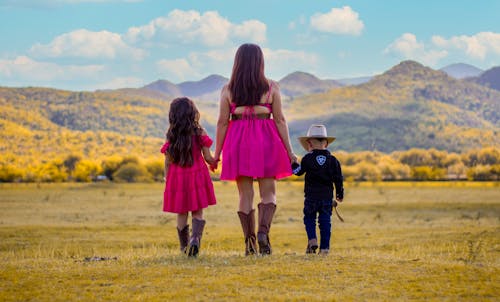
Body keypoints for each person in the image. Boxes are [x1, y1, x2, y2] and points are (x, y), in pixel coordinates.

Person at [212, 43, 297, 256]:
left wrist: (216, 154)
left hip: (238, 142)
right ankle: (263, 233)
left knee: (245, 194)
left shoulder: (228, 90)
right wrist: (290, 152)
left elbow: (222, 122)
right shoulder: (272, 87)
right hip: (266, 140)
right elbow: (280, 120)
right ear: (260, 62)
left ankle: (249, 244)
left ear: (237, 62)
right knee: (268, 193)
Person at [161, 97, 217, 257]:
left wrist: (167, 178)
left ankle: (184, 247)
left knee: (182, 213)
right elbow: (207, 157)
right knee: (197, 211)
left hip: (178, 177)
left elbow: (167, 161)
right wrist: (215, 160)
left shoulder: (171, 134)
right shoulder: (199, 132)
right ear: (193, 113)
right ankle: (195, 239)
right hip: (197, 175)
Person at [291, 124, 344, 255]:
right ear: (326, 144)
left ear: (309, 144)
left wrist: (293, 163)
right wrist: (339, 193)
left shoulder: (307, 158)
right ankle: (325, 248)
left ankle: (312, 240)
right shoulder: (333, 161)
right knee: (325, 221)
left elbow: (298, 172)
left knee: (309, 218)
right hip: (326, 198)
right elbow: (338, 179)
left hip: (311, 197)